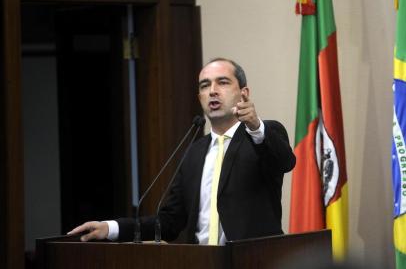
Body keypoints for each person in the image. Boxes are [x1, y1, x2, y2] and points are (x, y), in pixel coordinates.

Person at [68, 58, 296, 245]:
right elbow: (169, 221)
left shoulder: (263, 135)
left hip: (255, 262)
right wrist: (111, 228)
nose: (213, 91)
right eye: (205, 86)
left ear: (244, 93)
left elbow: (284, 162)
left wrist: (256, 127)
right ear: (200, 98)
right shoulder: (195, 152)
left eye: (223, 82)